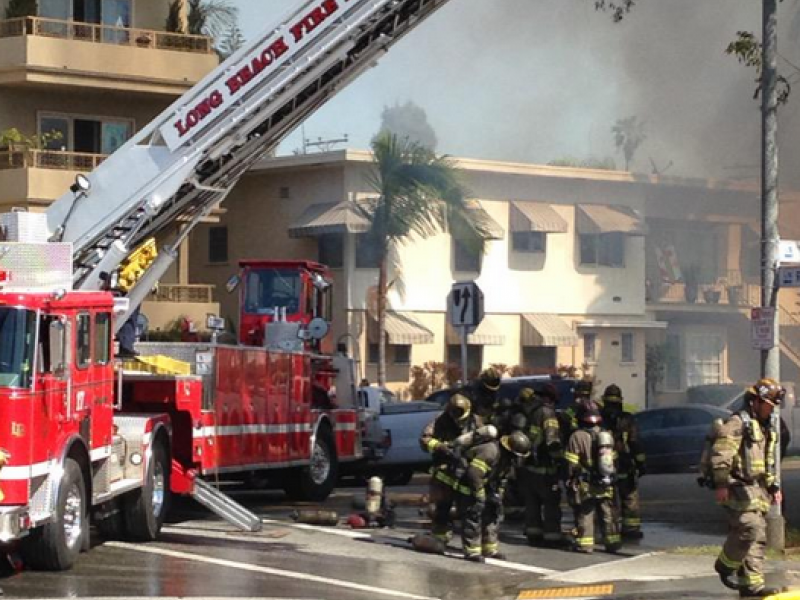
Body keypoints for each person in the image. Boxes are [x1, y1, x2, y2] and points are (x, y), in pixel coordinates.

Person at [711, 378, 784, 599]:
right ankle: (724, 565)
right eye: (769, 404)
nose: (771, 409)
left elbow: (769, 459)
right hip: (737, 486)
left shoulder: (766, 425)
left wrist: (773, 486)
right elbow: (721, 452)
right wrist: (721, 484)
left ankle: (752, 587)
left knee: (757, 538)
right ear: (756, 401)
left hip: (758, 489)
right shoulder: (737, 422)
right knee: (749, 527)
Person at [456, 431, 532, 562]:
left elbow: (502, 478)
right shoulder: (490, 451)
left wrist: (498, 496)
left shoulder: (508, 459)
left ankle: (490, 549)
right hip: (469, 485)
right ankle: (472, 551)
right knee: (473, 515)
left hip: (487, 485)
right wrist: (479, 496)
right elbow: (474, 474)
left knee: (493, 514)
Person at [418, 393, 483, 546]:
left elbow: (485, 439)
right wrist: (441, 447)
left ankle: (474, 542)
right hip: (444, 470)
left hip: (467, 468)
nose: (455, 417)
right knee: (441, 506)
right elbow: (424, 439)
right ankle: (440, 538)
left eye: (459, 413)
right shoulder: (441, 420)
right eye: (453, 412)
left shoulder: (475, 420)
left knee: (469, 508)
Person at [564, 405, 621, 554]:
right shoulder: (606, 434)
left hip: (586, 483)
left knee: (586, 513)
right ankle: (612, 543)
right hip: (606, 480)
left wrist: (570, 479)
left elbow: (572, 462)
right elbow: (613, 459)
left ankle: (585, 545)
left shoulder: (577, 436)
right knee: (607, 512)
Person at [516, 385, 564, 546]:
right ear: (550, 399)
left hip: (529, 467)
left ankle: (533, 534)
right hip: (546, 469)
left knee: (532, 503)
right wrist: (560, 461)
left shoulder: (531, 412)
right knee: (550, 504)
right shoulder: (548, 413)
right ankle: (552, 537)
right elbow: (552, 442)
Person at [600, 384, 646, 539]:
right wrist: (641, 463)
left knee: (609, 498)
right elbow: (635, 443)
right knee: (629, 497)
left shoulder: (599, 418)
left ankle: (610, 529)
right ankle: (631, 529)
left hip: (604, 465)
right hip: (625, 464)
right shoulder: (627, 419)